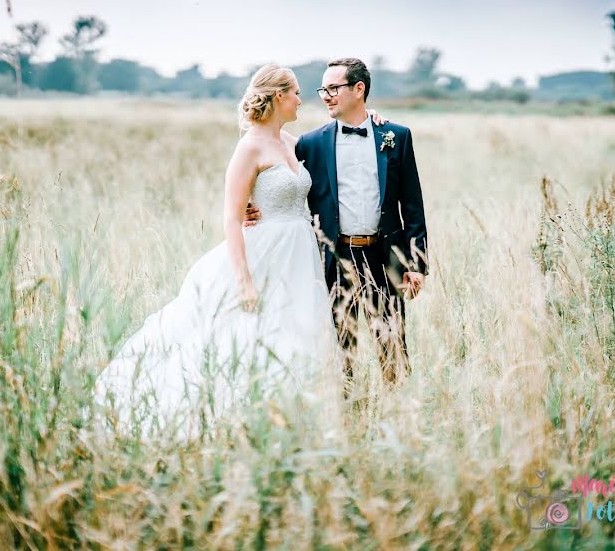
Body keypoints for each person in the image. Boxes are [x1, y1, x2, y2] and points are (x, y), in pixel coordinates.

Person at [94, 64, 362, 438]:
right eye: (297, 92)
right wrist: (244, 280)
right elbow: (232, 218)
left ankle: (297, 428)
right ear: (279, 96)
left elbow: (342, 134)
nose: (303, 100)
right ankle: (232, 424)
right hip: (263, 253)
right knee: (251, 337)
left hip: (300, 258)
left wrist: (374, 117)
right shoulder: (249, 147)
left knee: (299, 337)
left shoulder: (291, 143)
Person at [245, 58, 428, 392]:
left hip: (384, 258)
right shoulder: (309, 144)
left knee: (393, 349)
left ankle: (399, 416)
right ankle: (348, 416)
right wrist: (250, 205)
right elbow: (271, 167)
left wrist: (417, 264)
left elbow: (412, 205)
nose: (325, 96)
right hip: (332, 258)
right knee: (339, 349)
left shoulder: (395, 136)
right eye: (323, 89)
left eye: (333, 88)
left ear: (359, 89)